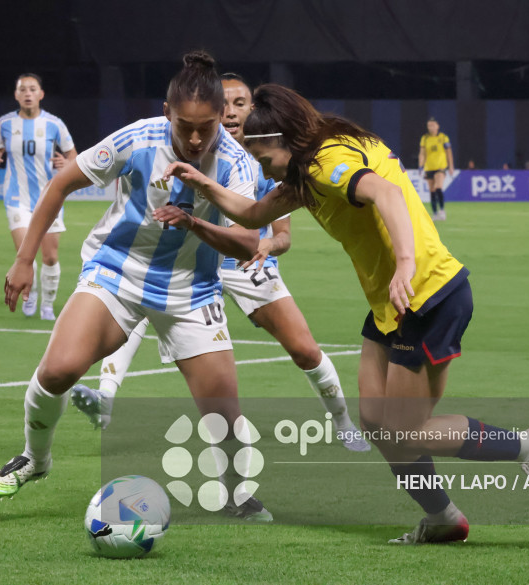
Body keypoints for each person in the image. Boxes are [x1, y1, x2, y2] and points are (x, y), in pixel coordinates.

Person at [158, 84, 529, 544]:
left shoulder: (327, 162)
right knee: (375, 421)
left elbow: (388, 195)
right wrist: (200, 190)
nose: (260, 166)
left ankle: (527, 444)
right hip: (390, 303)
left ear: (285, 140)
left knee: (406, 432)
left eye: (263, 156)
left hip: (425, 294)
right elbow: (253, 215)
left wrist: (406, 264)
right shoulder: (311, 167)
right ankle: (442, 518)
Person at [0, 51, 273, 522]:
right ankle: (35, 459)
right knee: (57, 371)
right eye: (185, 126)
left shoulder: (236, 162)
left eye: (206, 126)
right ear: (167, 114)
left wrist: (194, 219)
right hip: (118, 272)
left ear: (223, 116)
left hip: (191, 290)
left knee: (222, 410)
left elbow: (245, 244)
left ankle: (237, 496)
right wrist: (23, 259)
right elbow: (61, 184)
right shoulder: (138, 138)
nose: (196, 137)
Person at [70, 73, 369, 452]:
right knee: (135, 304)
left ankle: (342, 422)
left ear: (253, 110)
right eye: (224, 105)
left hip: (241, 264)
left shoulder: (268, 157)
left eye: (240, 103)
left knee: (304, 348)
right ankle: (106, 398)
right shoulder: (187, 147)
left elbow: (283, 236)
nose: (231, 112)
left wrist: (265, 246)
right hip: (186, 264)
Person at [0, 73, 78, 320]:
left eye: (32, 89)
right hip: (17, 198)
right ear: (16, 95)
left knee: (50, 256)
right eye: (22, 89)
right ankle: (32, 294)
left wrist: (65, 163)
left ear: (41, 94)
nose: (27, 93)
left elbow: (74, 158)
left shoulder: (54, 124)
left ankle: (47, 304)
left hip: (49, 196)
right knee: (25, 252)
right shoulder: (5, 123)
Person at [418, 117, 453, 221]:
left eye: (433, 125)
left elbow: (449, 152)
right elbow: (422, 154)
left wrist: (451, 166)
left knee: (438, 187)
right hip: (429, 168)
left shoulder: (443, 138)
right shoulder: (425, 138)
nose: (431, 127)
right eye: (429, 125)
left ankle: (442, 210)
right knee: (432, 191)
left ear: (437, 126)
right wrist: (420, 166)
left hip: (440, 167)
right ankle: (435, 213)